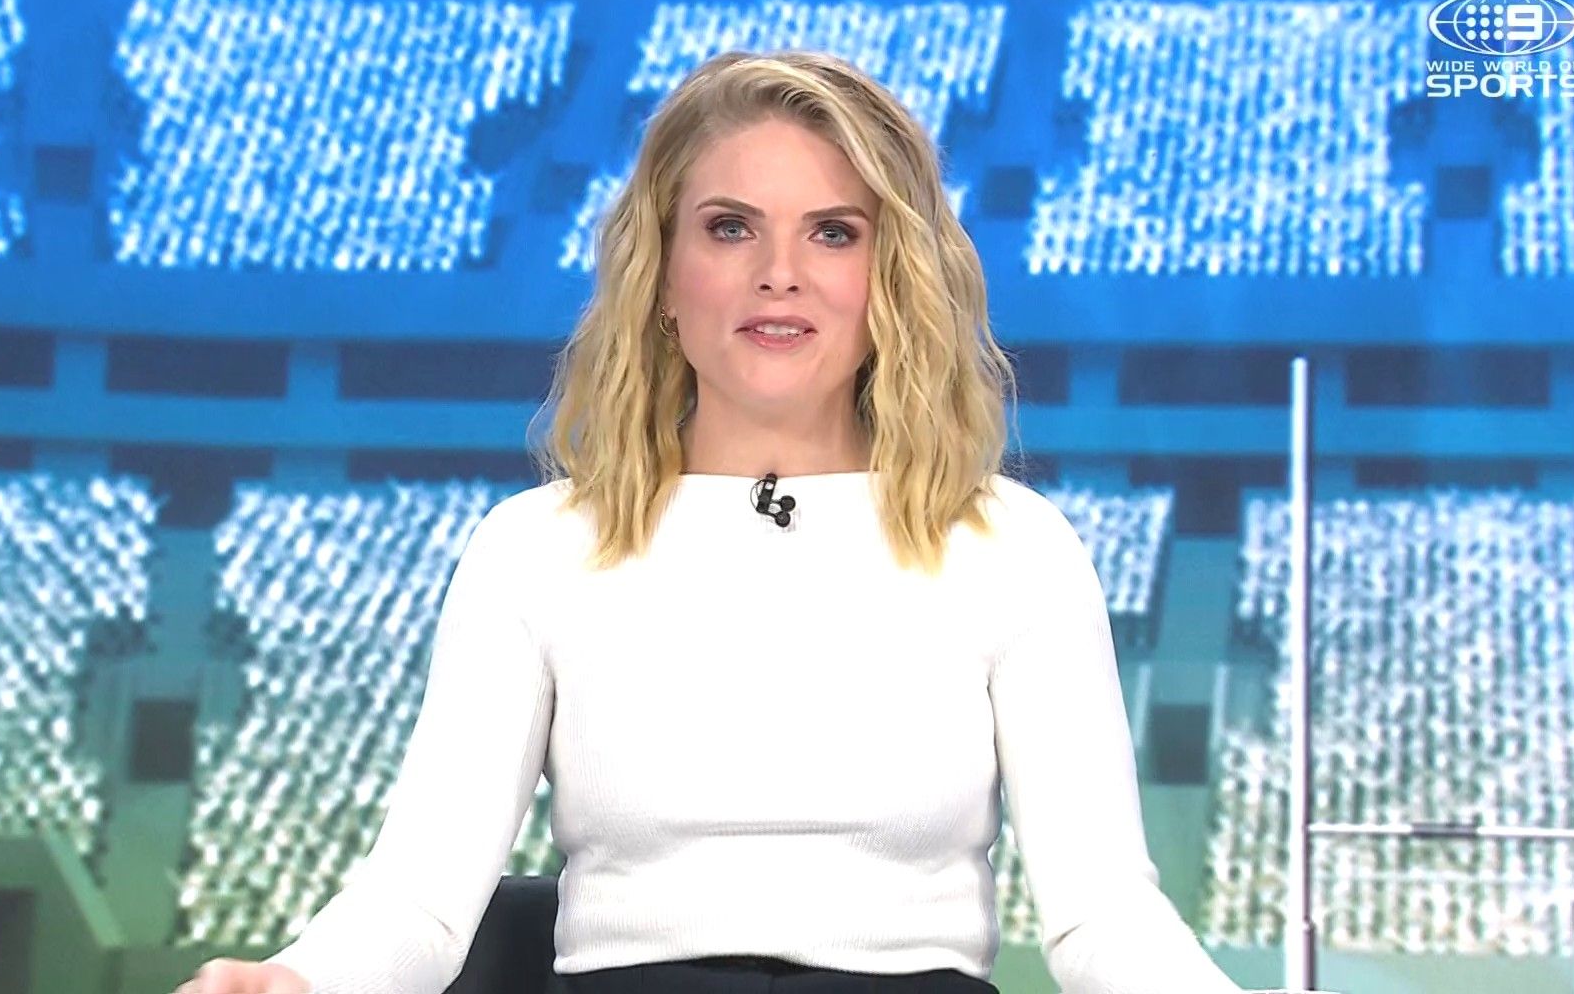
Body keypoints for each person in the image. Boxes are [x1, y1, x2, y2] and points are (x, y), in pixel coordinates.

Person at [179, 50, 1244, 994]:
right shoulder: (534, 549)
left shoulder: (1014, 548)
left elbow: (1102, 915)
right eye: (731, 228)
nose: (779, 273)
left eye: (833, 233)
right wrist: (294, 982)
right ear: (662, 276)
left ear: (890, 281)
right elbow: (421, 902)